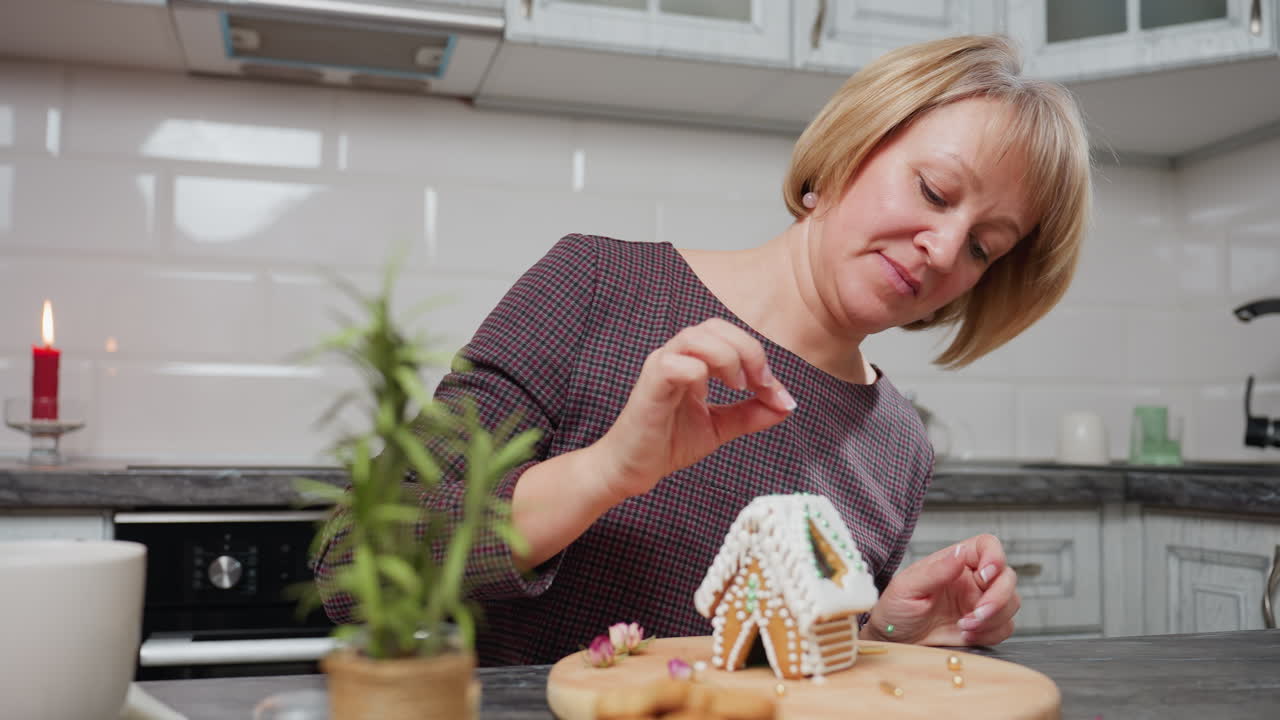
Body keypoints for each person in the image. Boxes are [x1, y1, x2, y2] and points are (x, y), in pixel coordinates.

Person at [314, 34, 1091, 667]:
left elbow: (790, 667)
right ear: (854, 144)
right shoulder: (597, 283)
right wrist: (609, 469)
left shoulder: (900, 445)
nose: (945, 248)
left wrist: (887, 632)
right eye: (934, 191)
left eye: (985, 248)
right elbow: (360, 561)